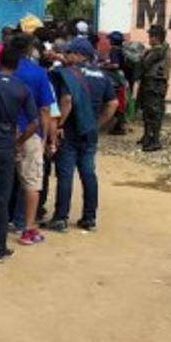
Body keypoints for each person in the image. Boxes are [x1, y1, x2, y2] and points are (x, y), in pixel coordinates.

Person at [48, 38, 118, 233]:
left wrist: (60, 123)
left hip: (70, 130)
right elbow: (112, 104)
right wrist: (97, 124)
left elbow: (67, 100)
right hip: (89, 131)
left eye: (69, 53)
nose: (67, 56)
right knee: (88, 173)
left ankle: (61, 217)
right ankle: (89, 217)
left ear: (79, 55)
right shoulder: (103, 76)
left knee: (65, 174)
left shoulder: (69, 74)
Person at [0, 46, 38, 261]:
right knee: (1, 198)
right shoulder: (21, 88)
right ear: (17, 65)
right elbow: (33, 123)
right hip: (5, 145)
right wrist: (18, 141)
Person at [8, 35, 56, 246]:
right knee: (31, 182)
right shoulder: (38, 73)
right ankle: (27, 229)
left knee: (0, 182)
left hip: (2, 133)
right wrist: (45, 138)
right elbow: (45, 108)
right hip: (30, 132)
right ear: (30, 49)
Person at [138, 24, 171, 152]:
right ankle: (148, 136)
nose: (148, 38)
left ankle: (154, 140)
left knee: (154, 111)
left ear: (156, 38)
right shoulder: (160, 49)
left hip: (155, 84)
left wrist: (143, 55)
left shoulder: (158, 51)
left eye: (150, 36)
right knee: (148, 110)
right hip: (152, 83)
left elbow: (145, 63)